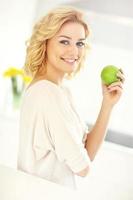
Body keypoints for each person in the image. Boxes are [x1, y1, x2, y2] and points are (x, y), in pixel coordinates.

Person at [17, 6, 124, 190]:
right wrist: (81, 157)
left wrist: (107, 104)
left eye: (80, 43)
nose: (74, 52)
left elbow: (87, 154)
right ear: (45, 42)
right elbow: (83, 168)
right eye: (64, 42)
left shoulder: (59, 91)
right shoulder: (48, 94)